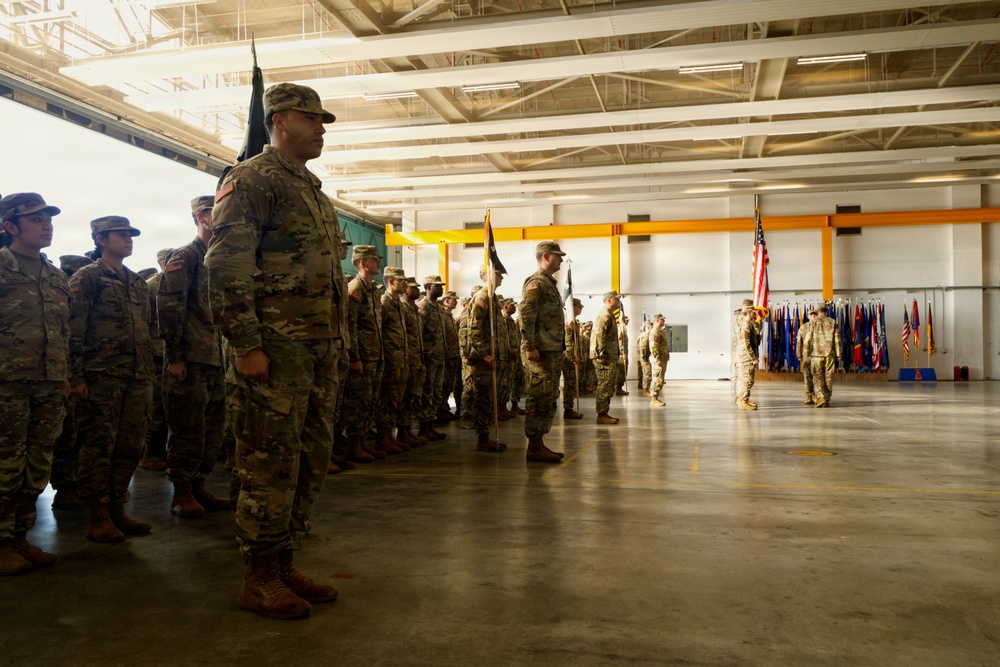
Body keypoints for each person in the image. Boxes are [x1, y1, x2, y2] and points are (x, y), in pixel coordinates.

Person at [205, 82, 344, 620]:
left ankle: (284, 562)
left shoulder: (311, 188)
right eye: (313, 119)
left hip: (317, 350)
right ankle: (258, 574)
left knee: (310, 458)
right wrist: (245, 343)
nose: (322, 129)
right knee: (269, 461)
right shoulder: (251, 179)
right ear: (281, 121)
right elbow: (227, 265)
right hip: (274, 350)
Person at [69, 216, 154, 542]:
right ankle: (98, 514)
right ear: (101, 239)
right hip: (101, 377)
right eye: (121, 234)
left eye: (130, 234)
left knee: (130, 445)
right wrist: (76, 376)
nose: (128, 239)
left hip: (136, 375)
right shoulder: (88, 277)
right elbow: (73, 329)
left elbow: (147, 330)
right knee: (98, 445)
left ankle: (117, 507)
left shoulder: (136, 282)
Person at [0, 193, 70, 574]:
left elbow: (64, 332)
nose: (47, 226)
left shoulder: (56, 276)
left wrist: (65, 377)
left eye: (48, 219)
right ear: (10, 227)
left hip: (48, 384)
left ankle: (19, 536)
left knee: (38, 462)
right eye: (36, 219)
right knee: (5, 463)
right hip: (7, 384)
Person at [157, 196, 230, 518]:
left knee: (213, 427)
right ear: (202, 217)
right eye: (217, 211)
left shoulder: (221, 257)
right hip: (191, 356)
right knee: (187, 426)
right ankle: (182, 491)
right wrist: (175, 356)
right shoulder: (185, 256)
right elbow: (169, 307)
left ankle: (199, 484)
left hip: (218, 357)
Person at [49, 254, 93, 511]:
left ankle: (76, 484)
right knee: (66, 433)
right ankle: (65, 487)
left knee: (80, 432)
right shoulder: (61, 296)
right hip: (61, 373)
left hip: (81, 371)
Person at [518, 241, 568, 463]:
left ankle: (538, 444)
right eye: (558, 256)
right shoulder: (537, 282)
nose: (561, 260)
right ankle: (534, 446)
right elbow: (526, 314)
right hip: (540, 352)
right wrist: (530, 346)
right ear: (546, 256)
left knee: (548, 397)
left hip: (550, 350)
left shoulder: (548, 283)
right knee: (539, 398)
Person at [344, 245, 390, 460]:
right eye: (374, 259)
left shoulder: (373, 290)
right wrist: (355, 357)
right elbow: (350, 324)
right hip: (363, 356)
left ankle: (363, 442)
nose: (379, 263)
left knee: (370, 400)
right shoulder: (356, 289)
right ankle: (354, 445)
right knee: (359, 401)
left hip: (375, 355)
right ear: (363, 262)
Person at [466, 266, 507, 452]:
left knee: (489, 398)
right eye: (498, 275)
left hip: (492, 357)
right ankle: (482, 438)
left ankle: (487, 436)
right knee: (483, 399)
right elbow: (473, 329)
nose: (501, 278)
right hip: (483, 360)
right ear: (489, 275)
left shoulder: (493, 298)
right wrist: (484, 355)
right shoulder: (482, 297)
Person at [139, 248, 173, 472]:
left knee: (169, 405)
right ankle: (151, 453)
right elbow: (142, 321)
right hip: (155, 355)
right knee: (156, 406)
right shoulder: (151, 286)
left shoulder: (177, 284)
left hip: (172, 354)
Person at [378, 268, 411, 453]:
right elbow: (379, 332)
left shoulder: (398, 304)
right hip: (390, 360)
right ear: (391, 282)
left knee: (396, 399)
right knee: (386, 399)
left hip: (401, 360)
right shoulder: (384, 303)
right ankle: (382, 438)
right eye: (402, 280)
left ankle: (390, 436)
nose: (405, 284)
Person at [418, 276, 448, 441]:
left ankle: (431, 424)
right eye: (438, 286)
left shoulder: (438, 307)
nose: (442, 289)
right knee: (427, 392)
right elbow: (419, 332)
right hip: (429, 357)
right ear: (429, 287)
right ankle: (423, 427)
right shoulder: (424, 306)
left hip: (439, 355)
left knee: (436, 392)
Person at [399, 277, 428, 447]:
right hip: (407, 358)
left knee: (413, 396)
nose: (417, 290)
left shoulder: (416, 309)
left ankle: (408, 430)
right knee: (405, 395)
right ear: (405, 291)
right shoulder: (402, 308)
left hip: (418, 357)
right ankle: (402, 432)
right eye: (413, 287)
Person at [591, 291, 622, 424]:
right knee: (604, 385)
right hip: (604, 357)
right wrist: (600, 355)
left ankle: (604, 413)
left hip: (609, 356)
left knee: (608, 385)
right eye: (616, 299)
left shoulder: (609, 315)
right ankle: (601, 414)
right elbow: (599, 336)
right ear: (609, 300)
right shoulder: (605, 316)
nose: (619, 301)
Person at [805, 305, 842, 408]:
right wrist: (839, 353)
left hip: (816, 355)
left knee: (817, 377)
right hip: (829, 355)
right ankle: (826, 399)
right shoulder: (833, 322)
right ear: (827, 311)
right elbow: (837, 339)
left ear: (818, 311)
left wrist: (806, 352)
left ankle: (820, 397)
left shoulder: (813, 322)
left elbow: (808, 338)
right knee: (828, 378)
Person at [733, 299, 763, 410]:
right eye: (754, 313)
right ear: (749, 312)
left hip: (742, 356)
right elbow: (746, 343)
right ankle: (743, 400)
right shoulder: (745, 323)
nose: (756, 315)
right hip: (745, 357)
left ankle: (741, 399)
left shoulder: (746, 323)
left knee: (743, 378)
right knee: (747, 379)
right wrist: (754, 358)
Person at [439, 290, 462, 422]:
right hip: (446, 355)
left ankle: (444, 408)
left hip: (452, 355)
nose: (456, 302)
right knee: (443, 384)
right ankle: (441, 410)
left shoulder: (450, 316)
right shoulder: (442, 315)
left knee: (449, 384)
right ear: (447, 301)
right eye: (454, 300)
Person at [561, 298, 584, 420]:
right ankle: (568, 409)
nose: (580, 309)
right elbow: (568, 342)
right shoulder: (568, 321)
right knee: (569, 384)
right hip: (568, 358)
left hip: (572, 357)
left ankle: (569, 408)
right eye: (579, 306)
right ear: (572, 307)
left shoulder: (574, 322)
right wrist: (572, 357)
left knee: (572, 384)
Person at [796, 309, 818, 404]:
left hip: (817, 355)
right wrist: (799, 354)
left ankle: (816, 395)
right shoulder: (803, 327)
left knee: (817, 376)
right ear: (808, 316)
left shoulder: (820, 326)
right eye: (811, 314)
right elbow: (799, 341)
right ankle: (809, 395)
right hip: (806, 355)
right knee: (807, 376)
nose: (813, 316)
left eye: (815, 314)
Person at [649, 314, 670, 407]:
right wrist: (657, 358)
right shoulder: (655, 331)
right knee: (657, 379)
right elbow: (654, 346)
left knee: (660, 379)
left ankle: (655, 397)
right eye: (662, 320)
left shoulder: (660, 331)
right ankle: (654, 398)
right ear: (657, 320)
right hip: (658, 360)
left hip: (662, 359)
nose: (664, 321)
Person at [637, 320, 652, 396]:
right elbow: (644, 347)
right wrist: (645, 358)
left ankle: (643, 386)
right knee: (647, 373)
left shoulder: (641, 335)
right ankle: (646, 389)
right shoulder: (646, 335)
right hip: (645, 358)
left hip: (641, 357)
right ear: (648, 327)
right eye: (651, 327)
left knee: (643, 372)